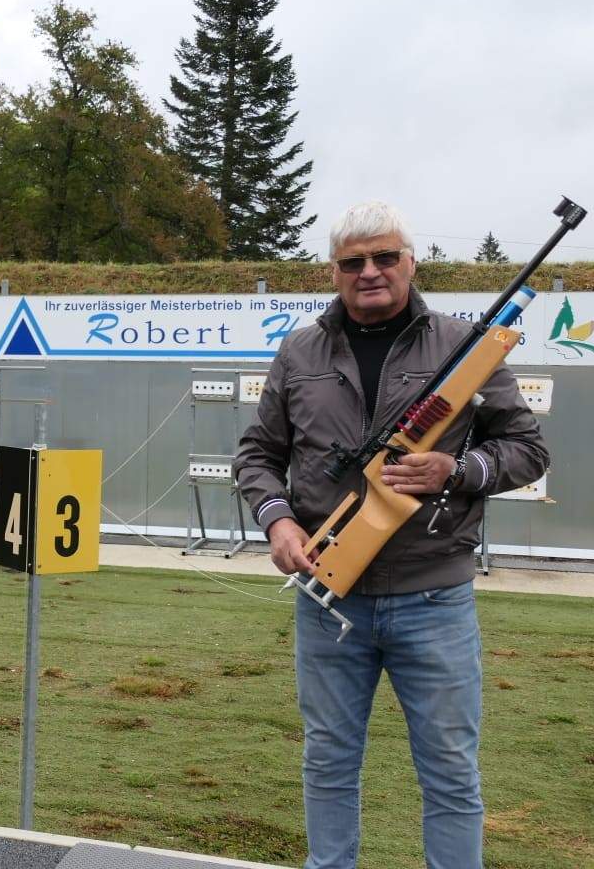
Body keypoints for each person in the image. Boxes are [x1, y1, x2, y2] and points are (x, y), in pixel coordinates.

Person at [234, 201, 548, 869]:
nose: (369, 272)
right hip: (328, 599)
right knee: (327, 762)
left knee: (450, 774)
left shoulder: (464, 347)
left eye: (385, 257)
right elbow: (257, 455)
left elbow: (527, 449)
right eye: (353, 262)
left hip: (434, 599)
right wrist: (278, 520)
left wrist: (456, 469)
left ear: (411, 261)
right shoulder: (300, 351)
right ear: (335, 271)